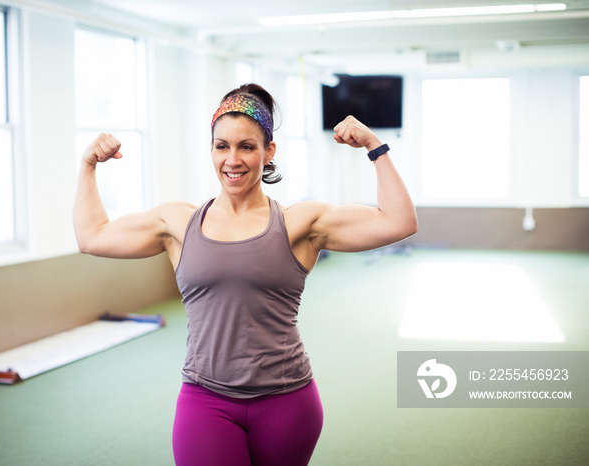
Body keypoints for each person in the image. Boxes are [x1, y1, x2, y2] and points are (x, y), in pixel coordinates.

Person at [73, 83, 418, 466]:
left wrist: (375, 146)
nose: (232, 159)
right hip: (205, 400)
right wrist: (88, 165)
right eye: (222, 146)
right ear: (211, 150)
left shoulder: (298, 222)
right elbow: (92, 237)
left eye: (246, 146)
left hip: (287, 402)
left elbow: (399, 222)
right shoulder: (178, 222)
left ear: (269, 151)